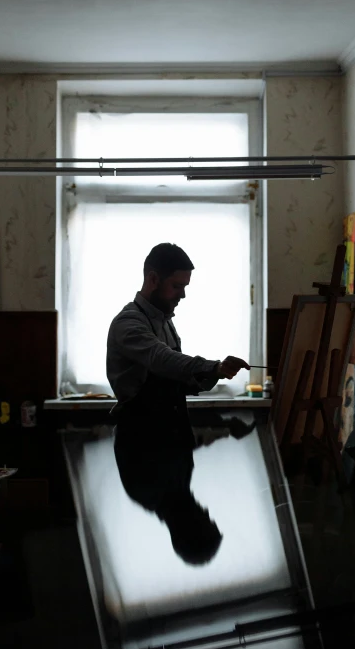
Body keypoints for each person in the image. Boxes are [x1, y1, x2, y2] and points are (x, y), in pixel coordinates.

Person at [107, 242, 250, 565]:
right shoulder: (128, 324)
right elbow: (162, 360)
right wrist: (211, 367)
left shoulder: (165, 321)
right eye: (178, 286)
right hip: (141, 439)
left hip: (167, 438)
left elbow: (175, 378)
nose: (182, 295)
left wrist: (215, 375)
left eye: (184, 287)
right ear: (153, 279)